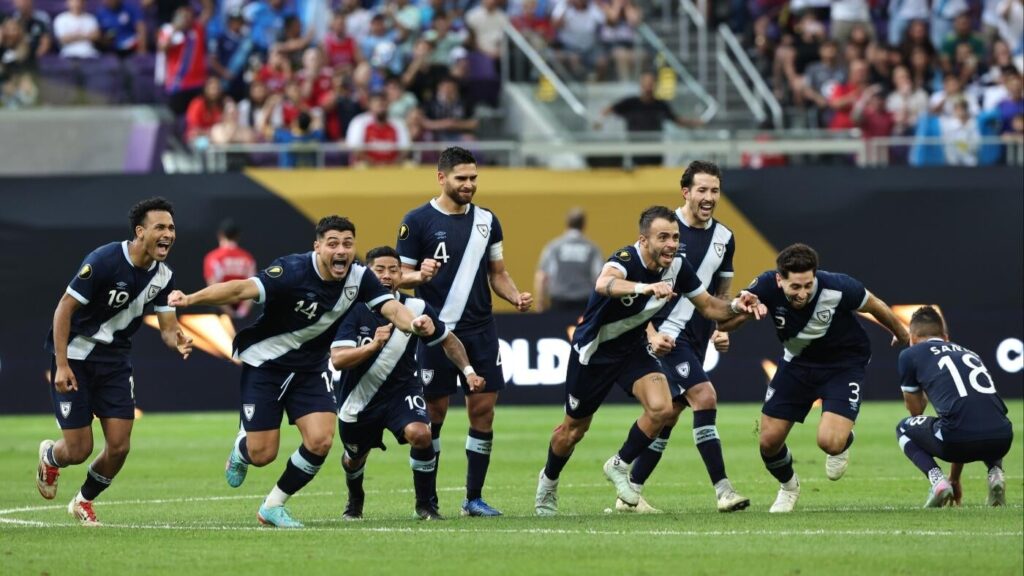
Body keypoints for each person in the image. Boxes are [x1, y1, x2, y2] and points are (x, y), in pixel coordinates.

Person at [167, 215, 436, 528]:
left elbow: (392, 308)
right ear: (317, 246)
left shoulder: (360, 278)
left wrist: (413, 323)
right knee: (262, 453)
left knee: (321, 441)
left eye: (348, 244)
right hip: (267, 364)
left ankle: (273, 506)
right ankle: (242, 450)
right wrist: (190, 298)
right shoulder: (292, 270)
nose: (342, 251)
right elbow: (240, 289)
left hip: (310, 369)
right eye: (333, 243)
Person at [534, 206, 765, 516]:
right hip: (596, 352)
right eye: (663, 237)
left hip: (632, 349)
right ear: (643, 240)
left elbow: (710, 307)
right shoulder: (627, 259)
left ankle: (618, 465)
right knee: (573, 431)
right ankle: (548, 482)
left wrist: (738, 305)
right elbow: (604, 283)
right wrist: (645, 287)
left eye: (675, 237)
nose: (671, 244)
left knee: (662, 408)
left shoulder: (678, 266)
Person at [36, 197, 194, 526]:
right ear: (140, 232)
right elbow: (64, 308)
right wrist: (62, 364)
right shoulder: (105, 260)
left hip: (115, 362)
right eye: (160, 227)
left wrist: (177, 339)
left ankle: (83, 500)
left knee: (119, 447)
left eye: (172, 228)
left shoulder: (164, 277)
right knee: (78, 450)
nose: (169, 234)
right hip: (76, 356)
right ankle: (51, 456)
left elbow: (167, 328)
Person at [719, 243, 909, 513]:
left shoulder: (838, 286)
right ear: (779, 279)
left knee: (829, 442)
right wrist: (741, 309)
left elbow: (874, 305)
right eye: (795, 287)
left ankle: (843, 441)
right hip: (796, 364)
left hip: (843, 365)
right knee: (768, 442)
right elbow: (723, 322)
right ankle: (788, 487)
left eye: (808, 285)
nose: (803, 293)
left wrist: (900, 332)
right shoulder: (764, 286)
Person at [396, 146, 533, 517]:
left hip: (480, 328)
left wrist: (514, 295)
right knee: (434, 414)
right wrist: (418, 276)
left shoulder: (488, 220)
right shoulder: (417, 220)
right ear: (442, 178)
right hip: (435, 331)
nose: (469, 185)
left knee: (483, 411)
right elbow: (398, 275)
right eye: (461, 178)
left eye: (473, 178)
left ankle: (473, 498)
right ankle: (426, 502)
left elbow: (497, 273)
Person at [617, 162, 750, 514]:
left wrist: (722, 329)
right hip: (663, 337)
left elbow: (720, 294)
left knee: (670, 414)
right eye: (702, 190)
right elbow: (636, 290)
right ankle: (723, 490)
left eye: (715, 191)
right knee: (705, 397)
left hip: (696, 338)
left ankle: (628, 491)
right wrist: (649, 332)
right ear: (686, 192)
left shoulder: (725, 238)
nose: (709, 198)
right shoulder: (664, 230)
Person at [332, 246, 484, 521]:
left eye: (393, 270)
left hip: (402, 391)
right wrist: (373, 346)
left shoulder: (416, 308)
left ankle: (425, 505)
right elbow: (339, 360)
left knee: (422, 434)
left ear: (402, 274)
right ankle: (355, 498)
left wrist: (468, 370)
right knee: (353, 458)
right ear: (367, 273)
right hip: (358, 396)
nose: (387, 276)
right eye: (379, 270)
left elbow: (448, 340)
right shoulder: (351, 309)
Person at [896, 306, 1013, 508]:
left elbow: (916, 411)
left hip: (957, 439)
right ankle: (996, 474)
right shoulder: (970, 353)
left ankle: (937, 481)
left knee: (903, 428)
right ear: (946, 336)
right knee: (982, 416)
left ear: (912, 337)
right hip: (1002, 438)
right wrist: (955, 478)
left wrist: (922, 391)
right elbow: (967, 411)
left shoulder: (910, 354)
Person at [597, 71, 702, 166]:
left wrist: (694, 123)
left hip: (655, 150)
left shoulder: (660, 105)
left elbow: (676, 120)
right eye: (646, 83)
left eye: (650, 83)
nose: (648, 87)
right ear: (641, 85)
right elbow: (609, 110)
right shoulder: (630, 103)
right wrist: (599, 121)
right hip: (635, 151)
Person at [533, 207, 604, 315]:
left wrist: (540, 303)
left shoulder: (554, 247)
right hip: (584, 303)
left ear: (567, 223)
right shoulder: (592, 249)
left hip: (558, 302)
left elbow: (541, 276)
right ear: (584, 225)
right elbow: (600, 277)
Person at [202, 218, 257, 319]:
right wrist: (242, 311)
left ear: (220, 234)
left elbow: (213, 289)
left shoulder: (213, 258)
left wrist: (228, 312)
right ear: (237, 236)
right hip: (243, 313)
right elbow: (253, 286)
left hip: (220, 313)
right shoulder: (247, 258)